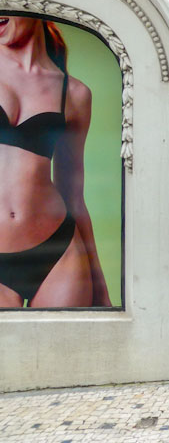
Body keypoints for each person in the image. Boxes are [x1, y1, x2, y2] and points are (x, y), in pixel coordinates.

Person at [0, 15, 110, 307]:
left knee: (71, 339)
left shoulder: (74, 93)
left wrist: (100, 286)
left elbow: (73, 195)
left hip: (59, 253)